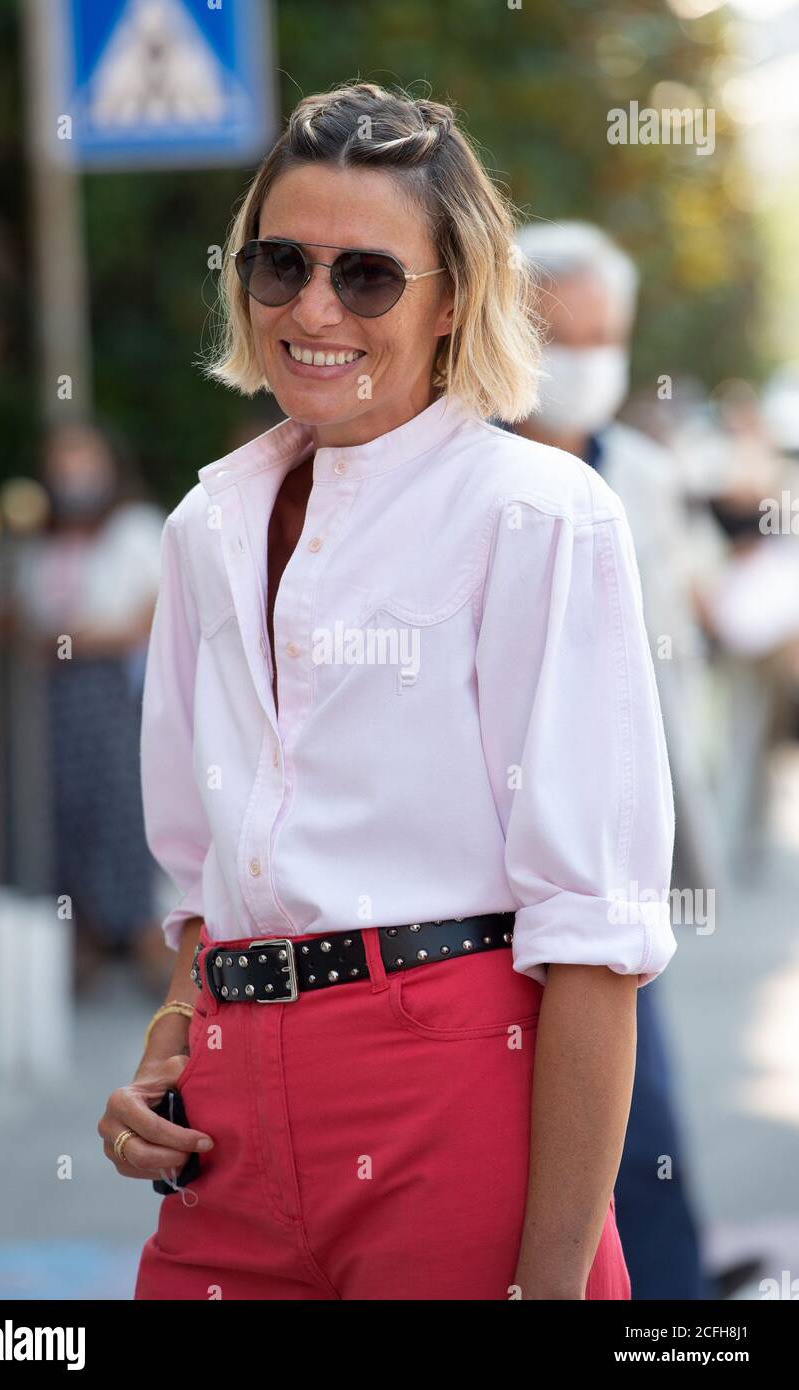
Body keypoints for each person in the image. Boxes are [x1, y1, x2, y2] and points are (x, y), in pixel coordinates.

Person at [98, 81, 677, 1302]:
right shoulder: (206, 525)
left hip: (455, 1094)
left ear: (453, 296)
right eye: (280, 265)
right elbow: (206, 889)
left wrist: (552, 1283)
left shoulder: (540, 515)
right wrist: (166, 1051)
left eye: (366, 276)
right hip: (229, 1128)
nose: (313, 309)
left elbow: (592, 932)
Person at [501, 221, 718, 1299]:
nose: (586, 359)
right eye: (562, 334)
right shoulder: (466, 470)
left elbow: (678, 651)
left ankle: (671, 1304)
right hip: (492, 873)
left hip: (615, 856)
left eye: (605, 336)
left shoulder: (642, 473)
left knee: (643, 1112)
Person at [13, 421, 167, 991]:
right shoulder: (40, 541)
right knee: (66, 812)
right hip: (58, 702)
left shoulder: (135, 530)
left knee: (125, 808)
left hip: (120, 696)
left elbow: (148, 616)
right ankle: (87, 941)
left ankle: (150, 939)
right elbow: (26, 624)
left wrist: (76, 641)